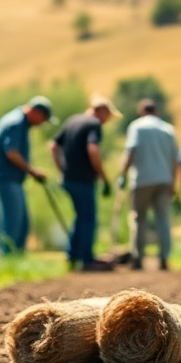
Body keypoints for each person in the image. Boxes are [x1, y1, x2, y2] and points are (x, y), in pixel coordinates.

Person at [50, 97, 120, 271]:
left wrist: (62, 170)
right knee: (88, 218)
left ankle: (72, 256)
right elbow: (93, 149)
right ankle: (86, 259)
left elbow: (53, 146)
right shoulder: (93, 124)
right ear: (101, 111)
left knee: (80, 217)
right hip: (83, 179)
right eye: (108, 116)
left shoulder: (71, 121)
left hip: (68, 179)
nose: (106, 121)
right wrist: (103, 176)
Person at [118, 99, 179, 270]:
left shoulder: (137, 127)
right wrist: (173, 182)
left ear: (141, 111)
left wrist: (122, 174)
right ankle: (164, 258)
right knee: (163, 220)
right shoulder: (168, 129)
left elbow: (131, 152)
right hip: (163, 180)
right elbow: (175, 160)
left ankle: (138, 258)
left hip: (141, 180)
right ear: (156, 111)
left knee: (139, 219)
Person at [0, 96, 53, 254]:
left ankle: (15, 259)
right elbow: (11, 152)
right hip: (7, 178)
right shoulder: (16, 122)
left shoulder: (19, 121)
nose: (41, 124)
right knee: (13, 223)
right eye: (43, 119)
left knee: (22, 223)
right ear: (36, 112)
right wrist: (32, 171)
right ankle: (7, 260)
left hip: (13, 179)